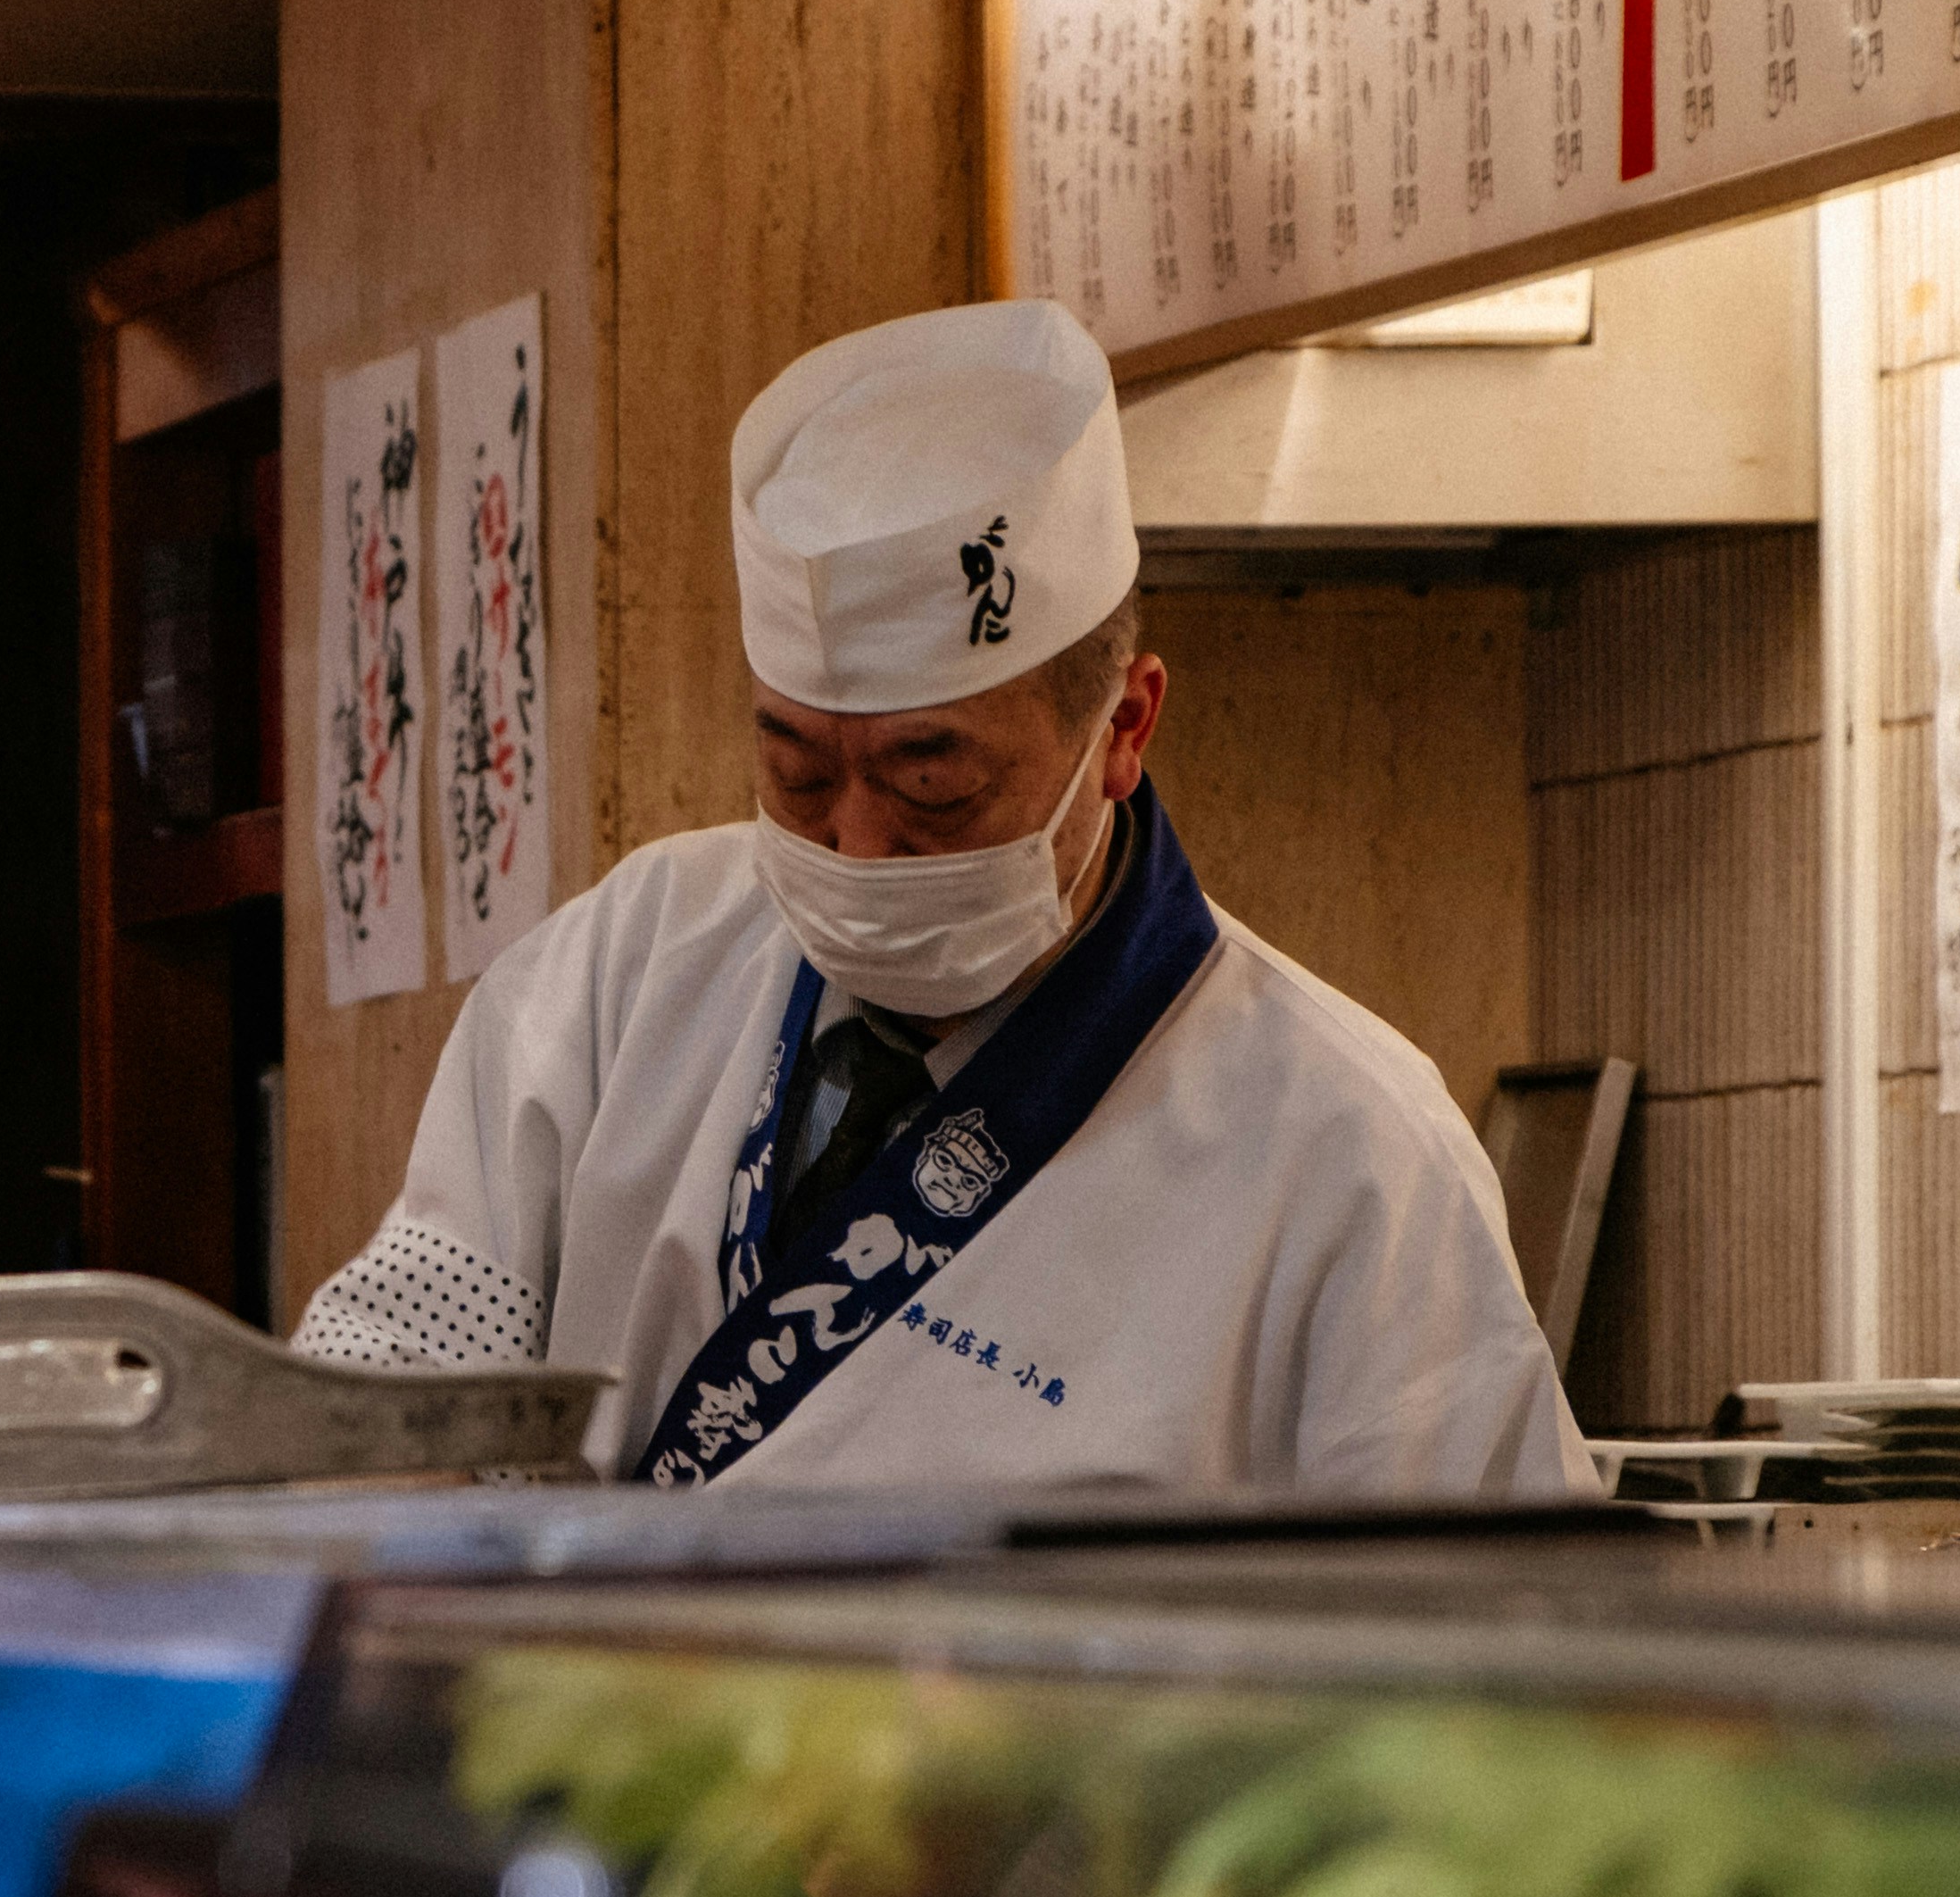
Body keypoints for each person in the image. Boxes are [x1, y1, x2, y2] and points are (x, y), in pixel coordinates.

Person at [293, 300, 1584, 1502]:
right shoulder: (626, 964)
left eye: (933, 779)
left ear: (1124, 725)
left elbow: (1493, 1643)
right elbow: (395, 1375)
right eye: (796, 772)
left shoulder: (1348, 1146)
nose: (855, 841)